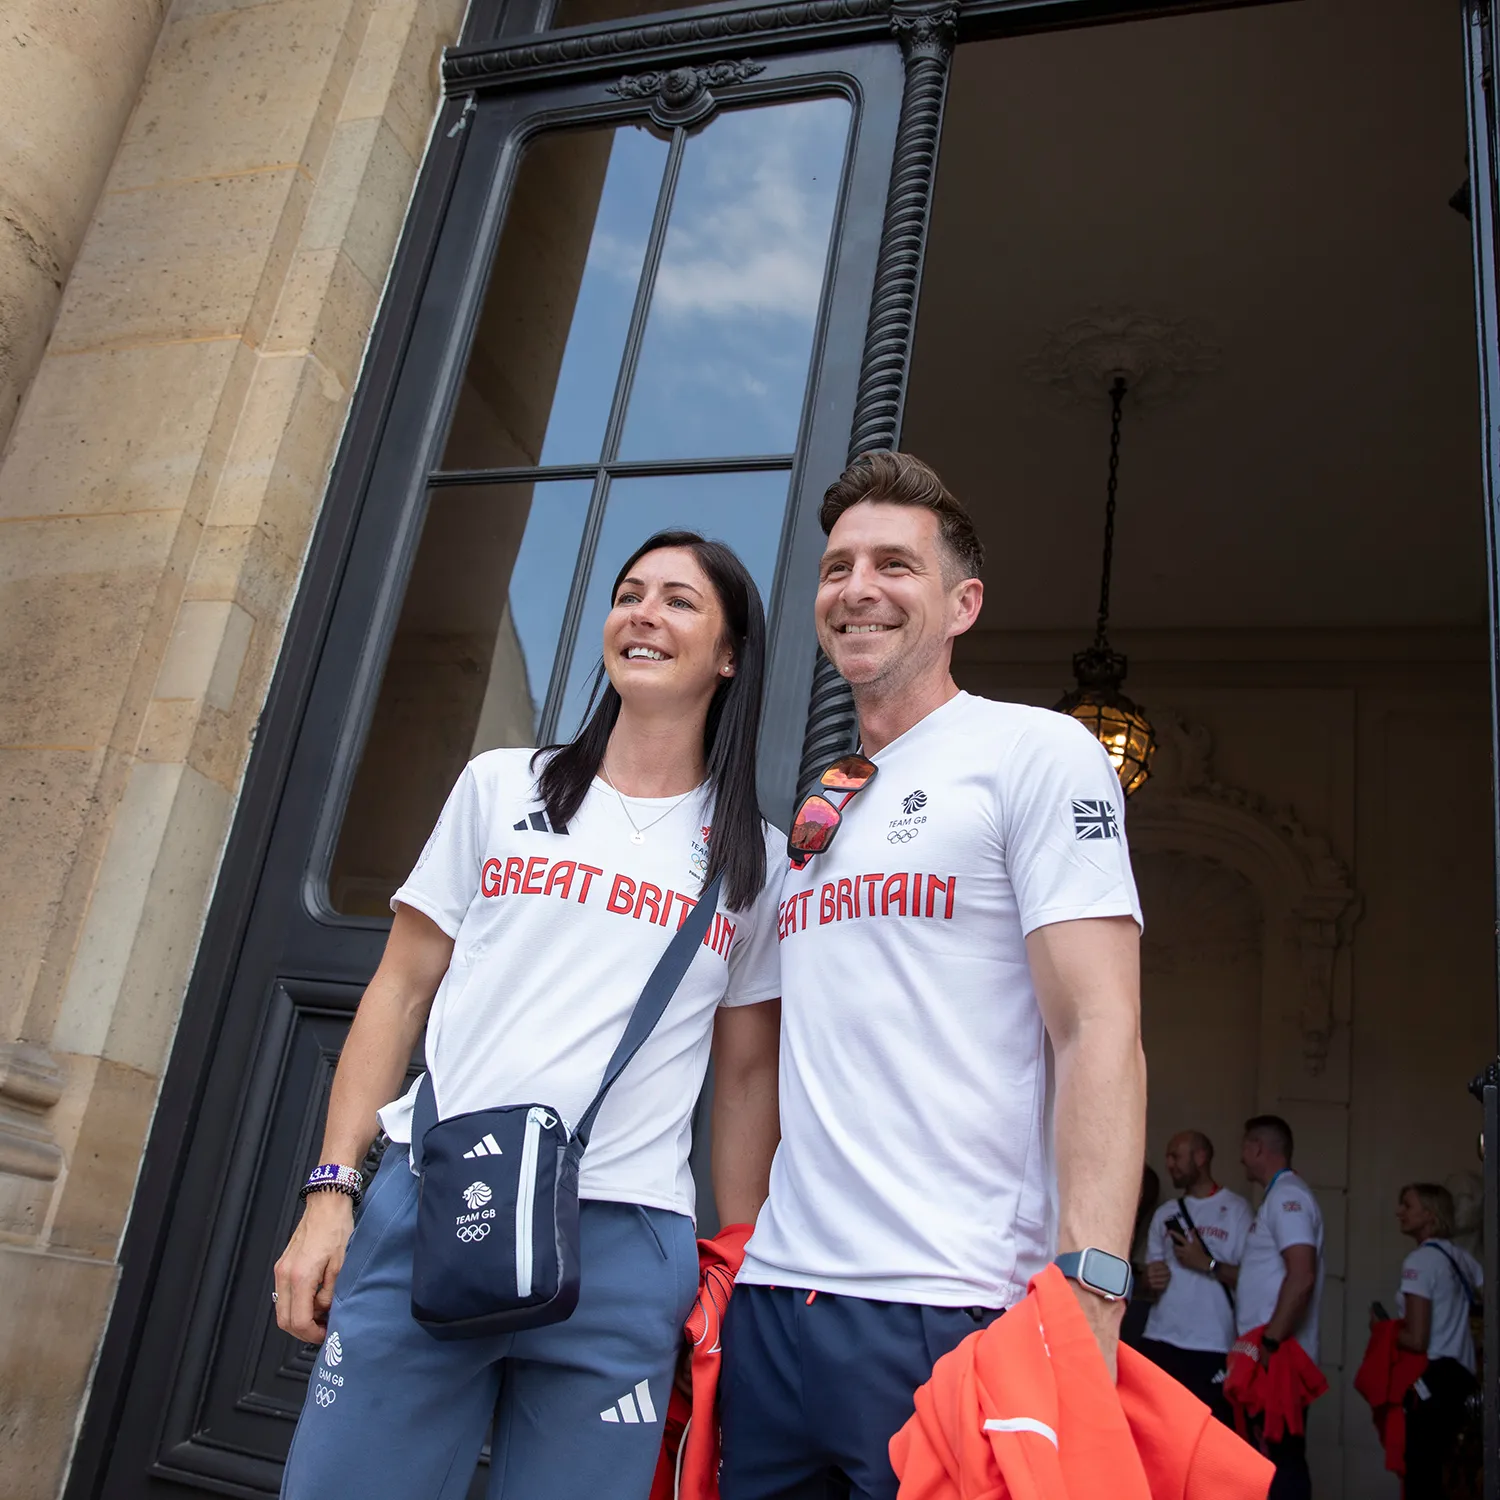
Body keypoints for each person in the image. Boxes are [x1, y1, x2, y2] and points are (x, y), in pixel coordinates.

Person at [273, 531, 784, 1500]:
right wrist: (330, 1191)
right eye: (629, 593)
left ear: (728, 654)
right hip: (436, 1201)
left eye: (679, 601)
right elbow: (400, 988)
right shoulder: (503, 787)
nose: (643, 613)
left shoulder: (752, 862)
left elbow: (747, 1080)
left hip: (627, 1246)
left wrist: (740, 1270)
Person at [719, 451, 1145, 1500]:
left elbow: (1101, 1028)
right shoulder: (822, 803)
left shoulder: (1035, 754)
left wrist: (1093, 1289)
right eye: (837, 567)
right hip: (779, 1303)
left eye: (894, 566)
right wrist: (735, 1264)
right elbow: (758, 1056)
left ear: (963, 604)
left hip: (951, 1303)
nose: (857, 589)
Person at [1232, 1115, 1324, 1500]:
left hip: (1278, 1357)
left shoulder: (1288, 1197)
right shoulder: (1278, 1196)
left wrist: (1269, 1344)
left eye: (1244, 1148)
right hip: (1268, 1352)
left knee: (1279, 1462)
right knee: (1265, 1460)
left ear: (1257, 1148)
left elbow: (1301, 1275)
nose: (1241, 1157)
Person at [1140, 1130, 1252, 1422]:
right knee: (1157, 1430)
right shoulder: (1165, 1213)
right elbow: (1149, 1285)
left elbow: (1253, 1280)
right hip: (1160, 1338)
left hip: (1211, 1344)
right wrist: (1149, 1280)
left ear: (1200, 1157)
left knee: (1208, 1434)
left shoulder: (1237, 1211)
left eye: (1175, 1156)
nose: (1169, 1164)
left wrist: (1208, 1264)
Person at [1392, 1181, 1482, 1499]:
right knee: (1452, 1474)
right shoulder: (1462, 1259)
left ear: (1429, 1215)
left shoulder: (1419, 1262)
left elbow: (1417, 1339)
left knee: (1421, 1475)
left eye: (1407, 1205)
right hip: (1463, 1375)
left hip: (1433, 1379)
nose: (1399, 1212)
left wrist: (1385, 1331)